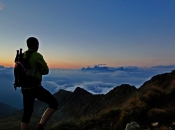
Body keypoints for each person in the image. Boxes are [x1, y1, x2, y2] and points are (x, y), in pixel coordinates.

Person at [20, 37, 58, 130]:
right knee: (54, 103)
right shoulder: (37, 56)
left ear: (28, 45)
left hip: (24, 88)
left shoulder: (22, 55)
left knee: (27, 113)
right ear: (37, 45)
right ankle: (40, 126)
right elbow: (45, 71)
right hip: (35, 88)